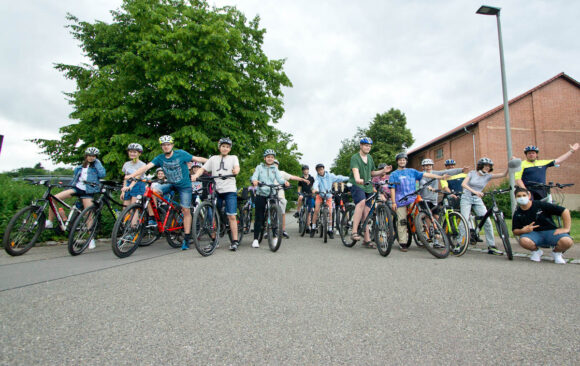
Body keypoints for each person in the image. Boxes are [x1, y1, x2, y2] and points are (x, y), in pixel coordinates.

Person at [125, 135, 207, 251]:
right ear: (161, 147)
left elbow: (198, 159)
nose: (166, 146)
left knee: (186, 210)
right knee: (151, 192)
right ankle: (153, 218)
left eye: (168, 144)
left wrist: (213, 162)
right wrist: (132, 176)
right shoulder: (160, 158)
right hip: (171, 184)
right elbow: (146, 167)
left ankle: (187, 238)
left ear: (172, 145)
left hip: (184, 186)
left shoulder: (181, 154)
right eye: (164, 145)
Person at [45, 147, 106, 250]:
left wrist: (97, 162)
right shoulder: (80, 167)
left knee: (88, 214)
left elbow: (102, 174)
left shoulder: (96, 166)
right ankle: (50, 221)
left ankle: (91, 239)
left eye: (93, 156)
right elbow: (75, 179)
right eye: (89, 156)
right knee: (54, 198)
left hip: (88, 191)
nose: (91, 158)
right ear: (86, 156)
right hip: (77, 188)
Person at [389, 152, 446, 252]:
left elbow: (425, 174)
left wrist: (440, 177)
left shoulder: (412, 171)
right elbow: (392, 188)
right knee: (402, 221)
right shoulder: (394, 174)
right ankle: (403, 243)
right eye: (400, 160)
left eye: (404, 160)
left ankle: (421, 235)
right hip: (400, 200)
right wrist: (393, 202)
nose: (402, 161)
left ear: (406, 161)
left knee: (420, 216)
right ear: (397, 161)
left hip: (412, 198)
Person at [191, 138, 241, 251]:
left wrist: (235, 171)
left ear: (230, 149)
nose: (225, 148)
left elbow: (237, 167)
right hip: (217, 190)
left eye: (227, 147)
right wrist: (195, 175)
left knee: (232, 215)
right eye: (223, 146)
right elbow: (202, 169)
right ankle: (214, 241)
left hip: (230, 190)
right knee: (213, 215)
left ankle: (235, 241)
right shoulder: (213, 159)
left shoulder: (233, 158)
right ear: (219, 147)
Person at [512, 186, 573, 264]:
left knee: (567, 241)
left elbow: (565, 211)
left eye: (524, 195)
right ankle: (536, 252)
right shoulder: (518, 213)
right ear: (515, 198)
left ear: (529, 196)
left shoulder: (540, 205)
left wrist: (566, 228)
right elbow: (515, 231)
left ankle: (556, 253)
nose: (522, 198)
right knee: (523, 241)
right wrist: (522, 230)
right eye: (519, 196)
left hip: (550, 231)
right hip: (533, 235)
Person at [349, 137, 392, 247]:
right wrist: (358, 179)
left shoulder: (370, 158)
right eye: (366, 145)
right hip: (357, 184)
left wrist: (383, 171)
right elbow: (355, 171)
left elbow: (372, 172)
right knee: (361, 202)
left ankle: (367, 240)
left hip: (368, 186)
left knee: (367, 212)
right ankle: (354, 232)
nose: (368, 147)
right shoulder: (355, 157)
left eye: (369, 146)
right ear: (361, 146)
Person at [460, 157, 508, 255]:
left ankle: (491, 246)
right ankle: (460, 243)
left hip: (478, 199)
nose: (487, 168)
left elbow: (503, 174)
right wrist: (475, 191)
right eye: (485, 166)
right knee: (464, 219)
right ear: (480, 166)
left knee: (487, 221)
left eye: (489, 166)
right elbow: (463, 184)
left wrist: (510, 165)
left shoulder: (488, 176)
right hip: (466, 197)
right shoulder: (472, 173)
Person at [250, 149, 289, 248]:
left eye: (272, 157)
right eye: (268, 157)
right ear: (265, 158)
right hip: (261, 193)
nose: (270, 158)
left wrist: (284, 182)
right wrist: (254, 180)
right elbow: (254, 176)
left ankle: (275, 237)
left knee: (274, 216)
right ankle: (255, 239)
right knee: (259, 216)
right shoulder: (259, 167)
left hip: (272, 193)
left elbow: (279, 179)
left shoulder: (274, 169)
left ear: (274, 159)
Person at [311, 163, 350, 239]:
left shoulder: (330, 175)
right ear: (317, 171)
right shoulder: (317, 178)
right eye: (319, 170)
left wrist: (350, 177)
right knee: (316, 210)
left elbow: (340, 178)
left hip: (328, 196)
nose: (320, 171)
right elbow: (316, 183)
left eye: (321, 169)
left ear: (324, 169)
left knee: (330, 212)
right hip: (320, 195)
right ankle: (313, 227)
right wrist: (315, 189)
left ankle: (330, 230)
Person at [273, 160, 309, 239]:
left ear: (278, 166)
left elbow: (293, 177)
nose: (275, 166)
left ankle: (283, 230)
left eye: (276, 164)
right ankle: (268, 230)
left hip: (280, 194)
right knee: (268, 210)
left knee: (282, 212)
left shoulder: (282, 173)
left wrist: (303, 179)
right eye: (273, 164)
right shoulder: (267, 172)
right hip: (269, 194)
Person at [121, 143, 147, 208]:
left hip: (138, 185)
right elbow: (125, 178)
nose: (132, 154)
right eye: (130, 152)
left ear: (139, 153)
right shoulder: (126, 164)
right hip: (128, 185)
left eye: (135, 152)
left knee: (133, 208)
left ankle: (136, 218)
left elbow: (137, 178)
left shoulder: (142, 165)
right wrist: (123, 191)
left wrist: (130, 187)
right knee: (125, 208)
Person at [294, 165, 315, 232]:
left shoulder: (311, 178)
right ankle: (298, 211)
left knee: (309, 212)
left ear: (308, 170)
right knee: (300, 197)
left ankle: (308, 227)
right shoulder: (301, 178)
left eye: (307, 169)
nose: (306, 171)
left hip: (310, 194)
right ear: (303, 171)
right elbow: (299, 188)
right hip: (303, 193)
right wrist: (298, 193)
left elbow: (314, 186)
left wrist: (314, 191)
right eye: (304, 170)